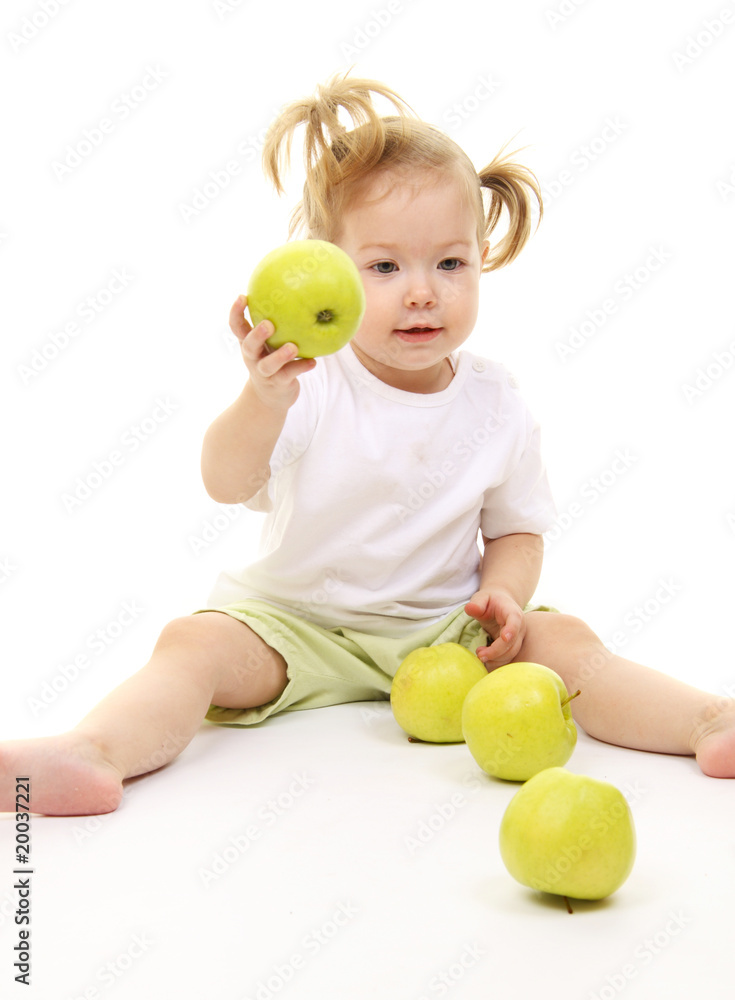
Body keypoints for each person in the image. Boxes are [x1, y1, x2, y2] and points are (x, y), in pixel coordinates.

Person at [2, 73, 734, 817]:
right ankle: (93, 752)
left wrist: (505, 599)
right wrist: (262, 396)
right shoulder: (311, 382)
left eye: (449, 264)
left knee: (566, 639)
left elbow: (514, 527)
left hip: (447, 631)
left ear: (481, 258)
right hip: (298, 626)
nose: (421, 292)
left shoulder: (495, 401)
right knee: (192, 646)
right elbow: (223, 481)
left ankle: (710, 719)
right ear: (330, 270)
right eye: (384, 267)